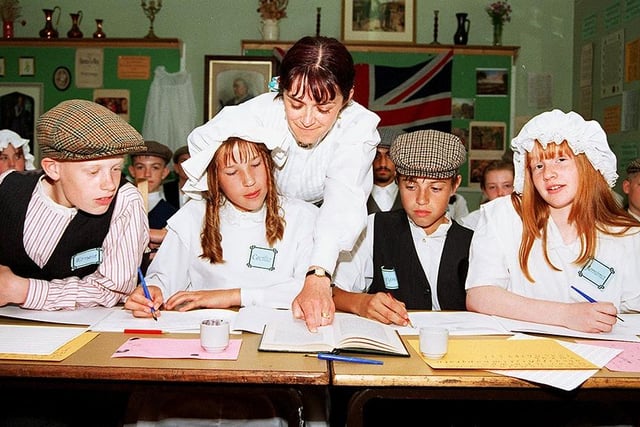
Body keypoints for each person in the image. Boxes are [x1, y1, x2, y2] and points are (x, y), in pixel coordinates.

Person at [185, 36, 380, 332]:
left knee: (324, 322)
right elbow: (204, 147)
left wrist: (318, 273)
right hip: (268, 222)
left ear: (348, 97)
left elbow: (343, 198)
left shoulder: (359, 127)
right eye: (295, 103)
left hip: (330, 232)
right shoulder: (258, 114)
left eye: (324, 108)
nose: (306, 119)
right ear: (281, 88)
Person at [465, 110, 640, 333]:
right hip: (521, 354)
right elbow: (480, 295)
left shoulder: (626, 233)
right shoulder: (504, 215)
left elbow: (632, 312)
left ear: (588, 165)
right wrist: (566, 314)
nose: (548, 174)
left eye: (561, 160)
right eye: (538, 166)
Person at [125, 135, 317, 316]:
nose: (249, 180)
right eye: (232, 172)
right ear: (214, 179)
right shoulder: (193, 216)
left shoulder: (302, 216)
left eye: (256, 165)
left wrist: (229, 296)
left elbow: (311, 289)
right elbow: (165, 277)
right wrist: (153, 290)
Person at [0, 99, 149, 310]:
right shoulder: (6, 189)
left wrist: (22, 290)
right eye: (93, 172)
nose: (109, 185)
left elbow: (113, 289)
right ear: (53, 168)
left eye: (116, 169)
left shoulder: (125, 200)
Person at [332, 130, 473, 325]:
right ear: (397, 181)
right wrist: (361, 303)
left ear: (455, 185)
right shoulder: (375, 227)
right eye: (411, 186)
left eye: (435, 188)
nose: (422, 200)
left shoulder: (473, 241)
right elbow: (332, 292)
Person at [128, 140, 178, 273]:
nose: (147, 174)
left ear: (165, 172)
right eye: (140, 167)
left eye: (155, 167)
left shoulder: (174, 215)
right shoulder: (119, 207)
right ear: (132, 171)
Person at [459, 159, 514, 230]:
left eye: (507, 186)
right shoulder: (472, 222)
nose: (500, 193)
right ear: (484, 190)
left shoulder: (529, 219)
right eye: (492, 187)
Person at [367, 127, 404, 214]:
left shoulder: (411, 195)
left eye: (389, 156)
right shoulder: (356, 195)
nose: (383, 164)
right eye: (376, 156)